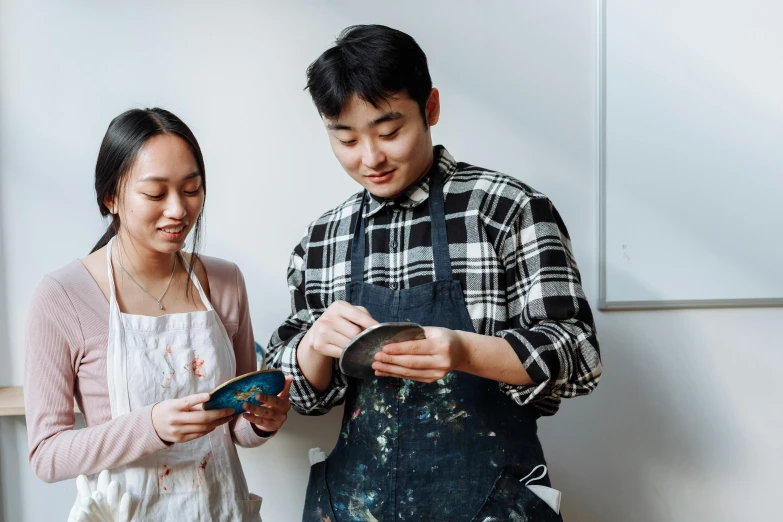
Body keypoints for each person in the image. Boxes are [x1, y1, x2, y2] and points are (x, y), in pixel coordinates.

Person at [268, 25, 602, 521]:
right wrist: (314, 344)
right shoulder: (323, 238)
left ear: (431, 109)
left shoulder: (508, 211)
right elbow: (299, 397)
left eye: (389, 132)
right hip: (358, 506)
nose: (370, 158)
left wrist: (464, 350)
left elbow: (579, 352)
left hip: (490, 504)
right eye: (346, 139)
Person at [25, 108, 291, 521]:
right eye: (155, 193)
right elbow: (47, 455)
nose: (178, 210)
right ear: (111, 197)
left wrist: (261, 423)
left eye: (191, 189)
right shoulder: (63, 295)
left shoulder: (225, 281)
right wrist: (151, 427)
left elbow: (235, 428)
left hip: (221, 509)